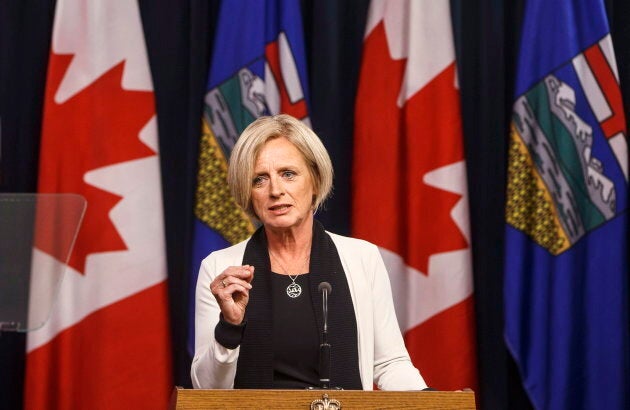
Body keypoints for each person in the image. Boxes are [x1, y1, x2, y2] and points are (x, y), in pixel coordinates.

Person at [191, 114, 427, 390]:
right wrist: (229, 328)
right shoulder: (221, 267)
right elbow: (206, 389)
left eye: (288, 174)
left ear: (315, 180)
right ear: (248, 193)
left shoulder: (362, 258)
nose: (275, 190)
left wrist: (431, 403)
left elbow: (389, 364)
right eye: (259, 180)